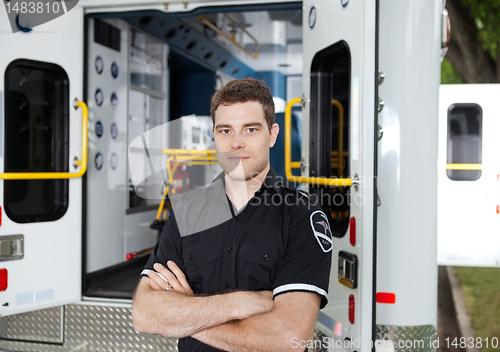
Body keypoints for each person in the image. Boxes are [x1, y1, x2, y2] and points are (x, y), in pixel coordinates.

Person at [132, 78, 333, 351]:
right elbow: (145, 314)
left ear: (272, 135)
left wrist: (185, 313)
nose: (236, 143)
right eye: (225, 130)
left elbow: (286, 339)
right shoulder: (187, 211)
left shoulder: (302, 216)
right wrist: (237, 303)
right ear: (214, 136)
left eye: (250, 129)